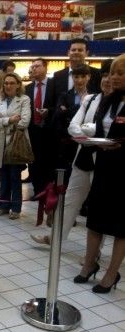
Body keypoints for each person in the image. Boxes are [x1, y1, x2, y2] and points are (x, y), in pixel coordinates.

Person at [31, 60, 113, 246]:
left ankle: (94, 253)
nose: (108, 80)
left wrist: (89, 130)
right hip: (83, 158)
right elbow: (73, 127)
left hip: (105, 161)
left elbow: (108, 132)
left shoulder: (118, 104)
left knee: (99, 207)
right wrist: (93, 135)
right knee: (69, 202)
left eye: (113, 75)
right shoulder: (90, 99)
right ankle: (55, 238)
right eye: (106, 75)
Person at [74, 54, 125, 294]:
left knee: (120, 226)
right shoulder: (108, 100)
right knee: (95, 219)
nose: (114, 77)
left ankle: (111, 273)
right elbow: (100, 128)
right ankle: (88, 264)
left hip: (123, 170)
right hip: (103, 164)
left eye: (120, 73)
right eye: (112, 72)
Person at [0, 72, 32, 219]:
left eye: (12, 83)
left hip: (16, 144)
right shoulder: (0, 100)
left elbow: (24, 121)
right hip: (1, 144)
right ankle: (3, 206)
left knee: (15, 177)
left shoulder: (24, 99)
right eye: (6, 83)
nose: (8, 86)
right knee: (4, 176)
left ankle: (16, 209)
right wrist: (8, 121)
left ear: (18, 84)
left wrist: (2, 122)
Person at [25, 58, 57, 196]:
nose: (34, 69)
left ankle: (48, 189)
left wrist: (49, 111)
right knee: (34, 161)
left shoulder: (54, 85)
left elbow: (59, 105)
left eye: (37, 66)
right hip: (33, 130)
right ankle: (38, 190)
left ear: (45, 68)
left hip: (49, 130)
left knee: (48, 161)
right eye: (32, 67)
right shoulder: (28, 88)